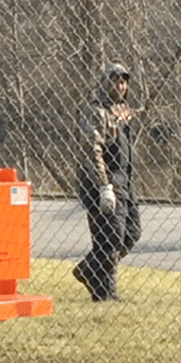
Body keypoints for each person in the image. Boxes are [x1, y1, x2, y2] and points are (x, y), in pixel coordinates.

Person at [72, 62, 140, 302]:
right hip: (104, 184)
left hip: (125, 182)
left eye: (124, 81)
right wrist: (104, 186)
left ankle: (92, 274)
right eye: (115, 80)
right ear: (105, 82)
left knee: (131, 233)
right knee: (111, 238)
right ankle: (102, 289)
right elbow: (92, 150)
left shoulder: (122, 111)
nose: (120, 85)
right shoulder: (97, 111)